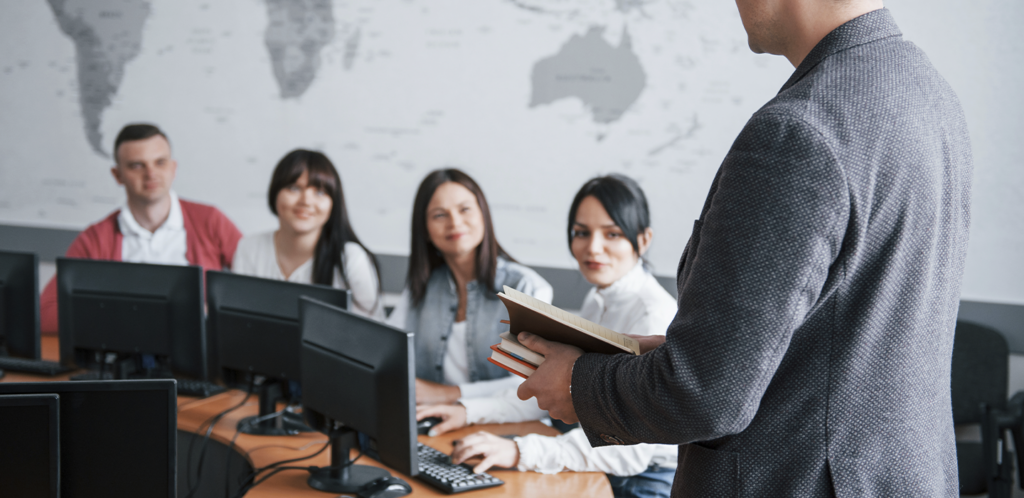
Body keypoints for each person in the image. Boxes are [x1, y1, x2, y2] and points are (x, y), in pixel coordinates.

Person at [517, 3, 972, 496]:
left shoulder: (798, 132)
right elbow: (848, 339)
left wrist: (580, 385)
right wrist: (687, 354)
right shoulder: (931, 94)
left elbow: (705, 398)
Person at [417, 175, 678, 498]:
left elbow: (627, 451)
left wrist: (519, 452)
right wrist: (468, 411)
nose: (593, 247)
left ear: (644, 239)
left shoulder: (653, 314)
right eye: (581, 233)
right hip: (593, 459)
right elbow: (551, 385)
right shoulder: (599, 300)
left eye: (612, 233)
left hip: (640, 481)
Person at [39, 123, 243, 334]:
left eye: (160, 162)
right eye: (137, 165)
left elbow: (256, 294)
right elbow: (46, 313)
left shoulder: (210, 221)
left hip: (200, 357)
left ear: (173, 168)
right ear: (117, 175)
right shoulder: (96, 238)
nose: (151, 173)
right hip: (125, 357)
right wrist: (124, 316)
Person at [386, 168, 552, 405]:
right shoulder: (420, 286)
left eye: (464, 209)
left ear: (483, 214)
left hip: (506, 428)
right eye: (439, 215)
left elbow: (530, 383)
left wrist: (450, 394)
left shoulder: (526, 286)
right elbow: (386, 352)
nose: (455, 222)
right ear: (424, 229)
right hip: (434, 422)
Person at [232, 150, 383, 319]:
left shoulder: (351, 259)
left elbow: (374, 334)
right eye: (294, 188)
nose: (306, 201)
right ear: (275, 193)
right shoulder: (250, 248)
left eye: (319, 192)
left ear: (334, 203)